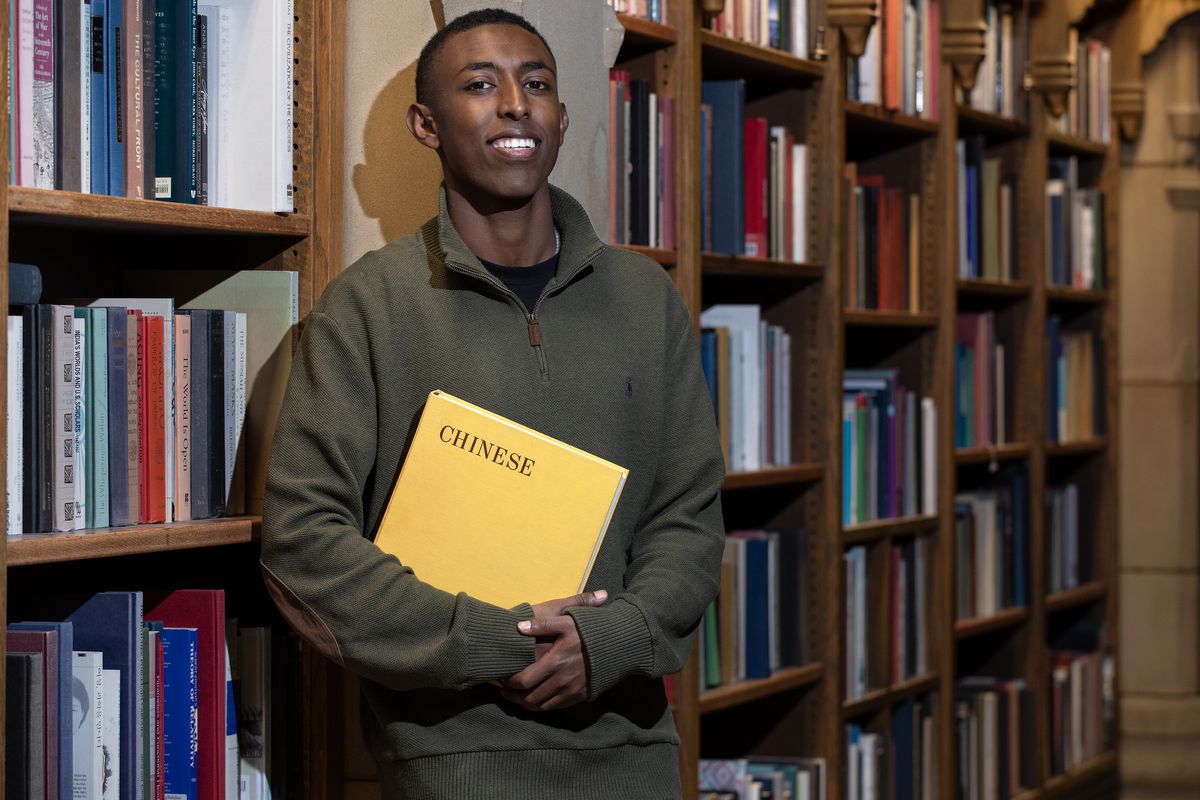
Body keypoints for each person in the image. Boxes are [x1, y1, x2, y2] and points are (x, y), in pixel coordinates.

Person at [261, 8, 725, 798]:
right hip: (448, 767)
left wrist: (607, 640)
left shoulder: (646, 300)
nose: (516, 103)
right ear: (426, 124)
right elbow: (303, 545)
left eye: (536, 84)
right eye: (480, 85)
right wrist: (492, 641)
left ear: (562, 116)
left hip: (636, 758)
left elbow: (688, 518)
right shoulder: (368, 309)